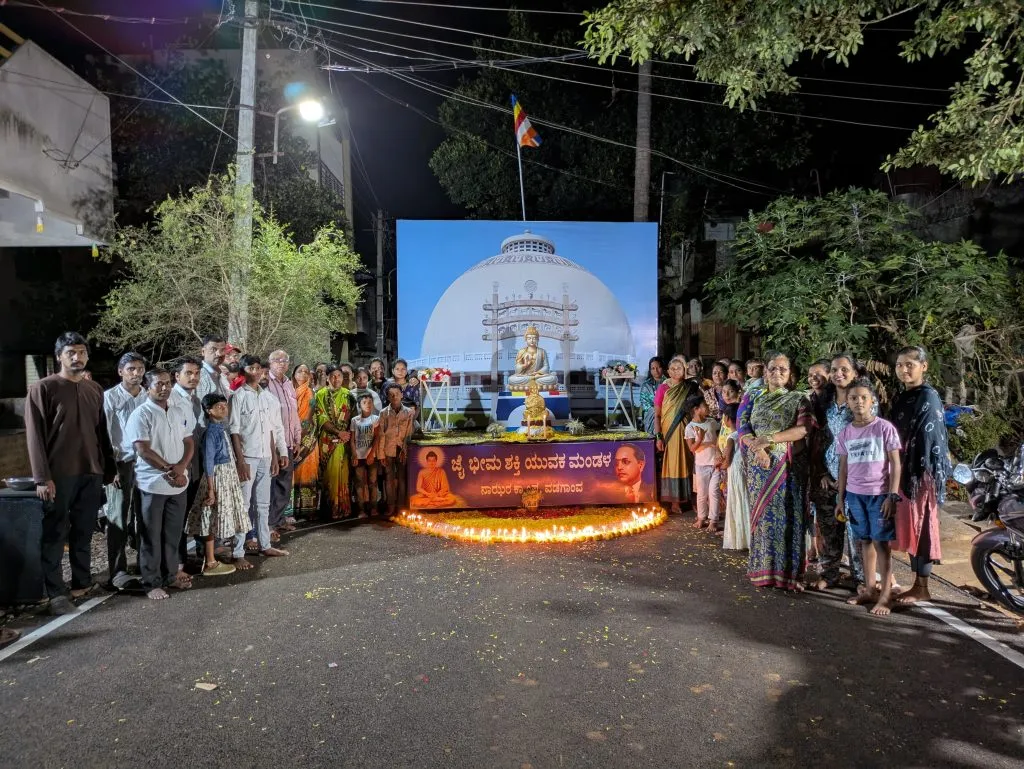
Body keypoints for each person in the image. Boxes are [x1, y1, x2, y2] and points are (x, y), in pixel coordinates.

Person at [25, 332, 115, 614]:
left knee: (84, 530)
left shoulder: (94, 389)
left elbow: (102, 431)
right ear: (59, 357)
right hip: (59, 474)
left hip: (92, 471)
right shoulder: (43, 388)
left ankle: (82, 582)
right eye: (70, 353)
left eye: (81, 352)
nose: (76, 357)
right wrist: (42, 477)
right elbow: (34, 436)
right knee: (55, 532)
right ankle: (55, 592)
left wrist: (108, 467)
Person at [738, 352, 814, 591]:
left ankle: (789, 576)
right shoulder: (752, 395)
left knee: (788, 519)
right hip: (758, 468)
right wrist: (757, 448)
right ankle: (763, 572)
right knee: (763, 520)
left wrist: (769, 440)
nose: (777, 373)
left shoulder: (799, 399)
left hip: (786, 469)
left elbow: (803, 430)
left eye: (782, 369)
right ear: (765, 371)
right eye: (772, 368)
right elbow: (742, 425)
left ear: (790, 373)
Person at [124, 369, 194, 601]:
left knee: (172, 535)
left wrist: (182, 467)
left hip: (178, 484)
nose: (164, 388)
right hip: (152, 484)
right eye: (158, 384)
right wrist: (169, 470)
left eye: (167, 384)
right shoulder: (141, 414)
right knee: (151, 536)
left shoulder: (176, 411)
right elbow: (143, 450)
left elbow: (188, 441)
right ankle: (151, 582)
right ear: (147, 387)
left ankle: (170, 576)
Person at [835, 378, 903, 616]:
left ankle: (885, 595)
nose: (858, 402)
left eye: (863, 397)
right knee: (864, 541)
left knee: (881, 543)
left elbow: (895, 464)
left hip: (879, 495)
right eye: (853, 398)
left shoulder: (884, 428)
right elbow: (843, 468)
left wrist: (892, 496)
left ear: (872, 400)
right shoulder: (845, 433)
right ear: (847, 402)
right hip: (855, 496)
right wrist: (840, 498)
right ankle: (869, 590)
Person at [890, 346, 950, 606]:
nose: (904, 369)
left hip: (921, 473)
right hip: (903, 471)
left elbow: (928, 438)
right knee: (910, 527)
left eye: (910, 364)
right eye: (900, 365)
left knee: (923, 525)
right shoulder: (902, 397)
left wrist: (915, 470)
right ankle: (917, 584)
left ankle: (922, 586)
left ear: (924, 367)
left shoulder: (928, 397)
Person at [810, 353, 865, 591]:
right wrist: (821, 472)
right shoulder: (824, 403)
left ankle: (861, 579)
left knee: (857, 533)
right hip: (828, 477)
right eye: (834, 370)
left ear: (855, 373)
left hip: (856, 480)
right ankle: (829, 574)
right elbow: (818, 440)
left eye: (844, 369)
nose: (838, 374)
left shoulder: (863, 401)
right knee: (828, 527)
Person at [229, 355, 290, 560]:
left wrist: (278, 454)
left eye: (258, 368)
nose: (256, 372)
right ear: (243, 371)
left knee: (263, 504)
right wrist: (240, 461)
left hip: (265, 456)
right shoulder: (238, 397)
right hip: (247, 457)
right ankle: (238, 551)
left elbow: (275, 430)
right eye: (251, 368)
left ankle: (265, 544)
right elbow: (234, 431)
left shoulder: (269, 398)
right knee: (244, 505)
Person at [186, 394, 248, 577]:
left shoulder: (221, 429)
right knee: (211, 517)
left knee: (215, 517)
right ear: (208, 410)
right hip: (218, 477)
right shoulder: (211, 432)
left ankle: (211, 558)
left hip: (226, 475)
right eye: (218, 406)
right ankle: (210, 561)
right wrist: (211, 489)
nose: (223, 409)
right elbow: (209, 461)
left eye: (224, 406)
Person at [102, 351, 147, 589]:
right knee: (118, 517)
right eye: (131, 369)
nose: (136, 373)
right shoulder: (109, 398)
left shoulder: (148, 397)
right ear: (120, 371)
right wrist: (111, 468)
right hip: (120, 463)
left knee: (143, 515)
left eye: (140, 369)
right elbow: (105, 434)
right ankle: (117, 571)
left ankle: (143, 562)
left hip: (145, 463)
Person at [169, 356, 203, 587]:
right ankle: (175, 565)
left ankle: (180, 560)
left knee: (183, 516)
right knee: (174, 518)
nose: (193, 377)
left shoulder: (196, 401)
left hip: (193, 466)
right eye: (188, 373)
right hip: (176, 467)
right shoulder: (170, 399)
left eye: (196, 373)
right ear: (176, 376)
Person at [654, 356, 698, 514]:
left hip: (688, 431)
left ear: (685, 370)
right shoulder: (663, 389)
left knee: (689, 462)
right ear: (668, 372)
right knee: (673, 464)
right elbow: (657, 415)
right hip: (669, 432)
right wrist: (658, 436)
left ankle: (692, 498)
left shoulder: (691, 387)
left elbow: (697, 410)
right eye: (672, 369)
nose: (675, 371)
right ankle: (675, 502)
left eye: (679, 368)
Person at [266, 350, 302, 535]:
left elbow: (293, 414)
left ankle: (278, 520)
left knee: (284, 484)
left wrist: (297, 439)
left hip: (288, 441)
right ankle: (268, 525)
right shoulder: (266, 383)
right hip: (272, 443)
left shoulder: (289, 384)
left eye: (285, 360)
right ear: (270, 363)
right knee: (271, 483)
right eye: (277, 360)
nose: (281, 363)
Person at [315, 365, 355, 520]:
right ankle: (330, 509)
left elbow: (354, 418)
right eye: (332, 376)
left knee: (344, 474)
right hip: (328, 440)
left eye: (338, 375)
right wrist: (338, 432)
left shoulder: (348, 395)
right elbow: (321, 418)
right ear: (327, 378)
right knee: (330, 475)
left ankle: (343, 508)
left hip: (345, 441)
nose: (336, 379)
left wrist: (347, 434)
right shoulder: (320, 395)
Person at [685, 394, 722, 531]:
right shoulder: (690, 427)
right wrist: (700, 439)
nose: (707, 407)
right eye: (704, 405)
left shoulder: (712, 422)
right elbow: (692, 449)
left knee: (714, 492)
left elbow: (719, 438)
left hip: (715, 463)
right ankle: (701, 518)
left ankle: (714, 520)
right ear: (696, 409)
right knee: (702, 493)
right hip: (701, 465)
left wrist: (717, 449)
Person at [378, 383, 415, 517]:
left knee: (402, 478)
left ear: (402, 395)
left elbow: (409, 433)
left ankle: (400, 506)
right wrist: (381, 454)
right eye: (391, 395)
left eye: (397, 394)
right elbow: (381, 434)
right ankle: (390, 506)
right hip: (388, 449)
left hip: (402, 449)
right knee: (389, 478)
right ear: (387, 397)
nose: (394, 397)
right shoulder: (383, 413)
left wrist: (405, 450)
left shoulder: (409, 412)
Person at [291, 363, 321, 517]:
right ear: (294, 374)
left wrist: (300, 437)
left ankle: (307, 510)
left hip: (306, 439)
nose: (303, 373)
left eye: (306, 371)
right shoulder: (289, 391)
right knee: (293, 474)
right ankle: (292, 510)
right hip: (292, 436)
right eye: (299, 371)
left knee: (306, 471)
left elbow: (307, 419)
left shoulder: (310, 393)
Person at [719, 404, 750, 550]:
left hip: (735, 469)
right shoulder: (745, 434)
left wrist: (719, 465)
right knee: (745, 498)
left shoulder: (731, 437)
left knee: (737, 498)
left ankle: (739, 538)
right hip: (744, 467)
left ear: (727, 419)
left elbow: (727, 461)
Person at [350, 392, 381, 516]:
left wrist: (371, 454)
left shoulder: (375, 419)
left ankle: (373, 508)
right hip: (359, 455)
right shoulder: (355, 420)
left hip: (371, 456)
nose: (367, 405)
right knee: (359, 483)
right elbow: (352, 439)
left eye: (369, 402)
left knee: (373, 483)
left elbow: (377, 437)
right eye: (364, 403)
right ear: (359, 405)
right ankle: (361, 509)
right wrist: (354, 454)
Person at [197, 335, 229, 404]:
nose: (219, 354)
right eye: (213, 349)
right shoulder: (198, 375)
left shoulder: (222, 375)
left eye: (222, 350)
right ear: (203, 351)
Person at [638, 357, 666, 436]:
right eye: (653, 368)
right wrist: (657, 411)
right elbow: (645, 404)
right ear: (650, 370)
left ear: (662, 368)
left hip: (667, 416)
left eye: (658, 367)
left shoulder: (669, 383)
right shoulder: (646, 385)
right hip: (651, 418)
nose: (656, 371)